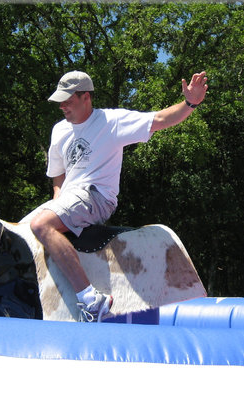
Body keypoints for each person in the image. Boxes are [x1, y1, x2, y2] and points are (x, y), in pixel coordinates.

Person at [30, 70, 208, 322]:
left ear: (86, 97)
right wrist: (58, 202)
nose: (62, 106)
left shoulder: (111, 122)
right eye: (61, 101)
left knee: (41, 224)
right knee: (22, 230)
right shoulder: (59, 130)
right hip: (70, 198)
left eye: (68, 100)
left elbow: (159, 119)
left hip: (97, 196)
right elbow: (57, 174)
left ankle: (92, 299)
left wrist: (190, 102)